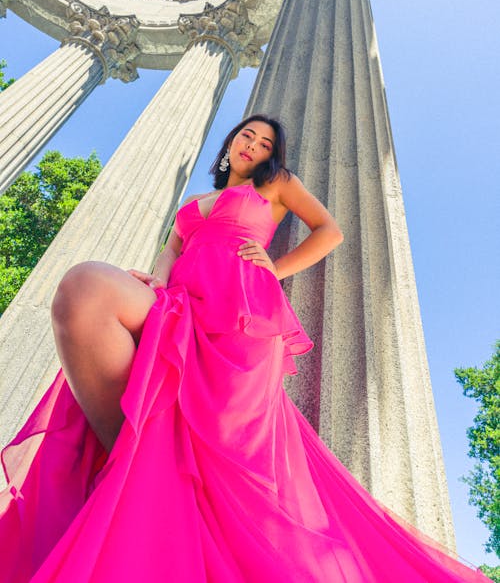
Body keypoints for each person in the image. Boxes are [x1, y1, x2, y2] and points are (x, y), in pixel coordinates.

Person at [0, 114, 492, 582]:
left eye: (264, 145)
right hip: (179, 304)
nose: (252, 146)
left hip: (235, 316)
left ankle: (161, 502)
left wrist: (274, 270)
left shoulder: (276, 187)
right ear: (231, 141)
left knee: (220, 442)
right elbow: (173, 248)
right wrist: (158, 281)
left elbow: (331, 231)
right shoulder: (197, 199)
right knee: (87, 290)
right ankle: (137, 475)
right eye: (247, 136)